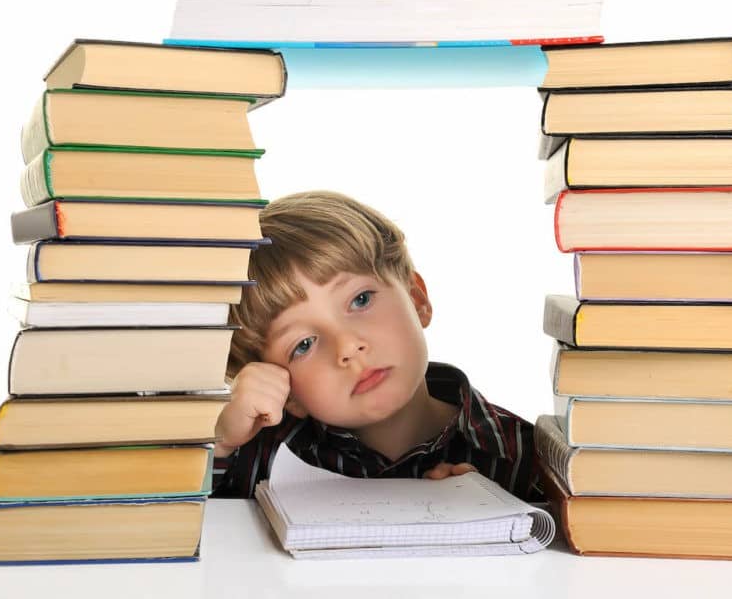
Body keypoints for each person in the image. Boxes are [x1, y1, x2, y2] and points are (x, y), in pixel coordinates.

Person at [212, 190, 543, 502]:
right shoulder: (251, 455)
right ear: (289, 393)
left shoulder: (523, 455)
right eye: (304, 344)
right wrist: (220, 441)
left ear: (417, 300)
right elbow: (173, 530)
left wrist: (485, 515)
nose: (348, 346)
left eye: (360, 299)